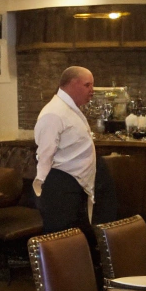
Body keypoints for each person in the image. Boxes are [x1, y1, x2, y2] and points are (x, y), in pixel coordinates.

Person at [33, 66, 97, 234]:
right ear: (72, 84)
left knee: (77, 236)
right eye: (87, 85)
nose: (92, 90)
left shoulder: (70, 110)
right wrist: (41, 188)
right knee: (61, 237)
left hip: (76, 184)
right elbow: (45, 154)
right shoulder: (53, 113)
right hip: (61, 185)